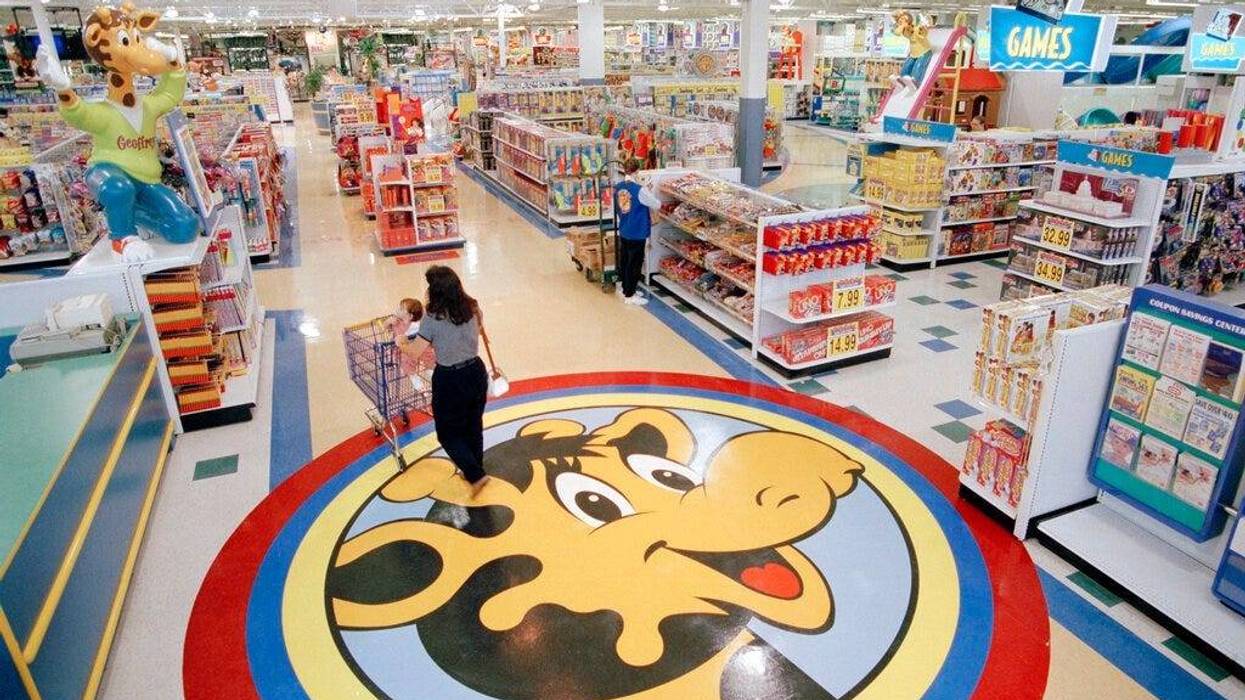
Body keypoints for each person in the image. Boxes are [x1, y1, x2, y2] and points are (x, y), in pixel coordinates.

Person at [396, 266, 493, 495]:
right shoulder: (473, 306)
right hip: (476, 372)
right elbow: (477, 331)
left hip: (450, 378)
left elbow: (415, 351)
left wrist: (402, 343)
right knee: (472, 425)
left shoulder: (432, 318)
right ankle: (474, 467)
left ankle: (476, 475)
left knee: (447, 433)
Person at [615, 160, 662, 306]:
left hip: (624, 228)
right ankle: (630, 295)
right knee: (634, 263)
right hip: (637, 231)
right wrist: (647, 189)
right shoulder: (639, 190)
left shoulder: (618, 187)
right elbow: (656, 204)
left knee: (625, 260)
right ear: (637, 172)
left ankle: (625, 288)